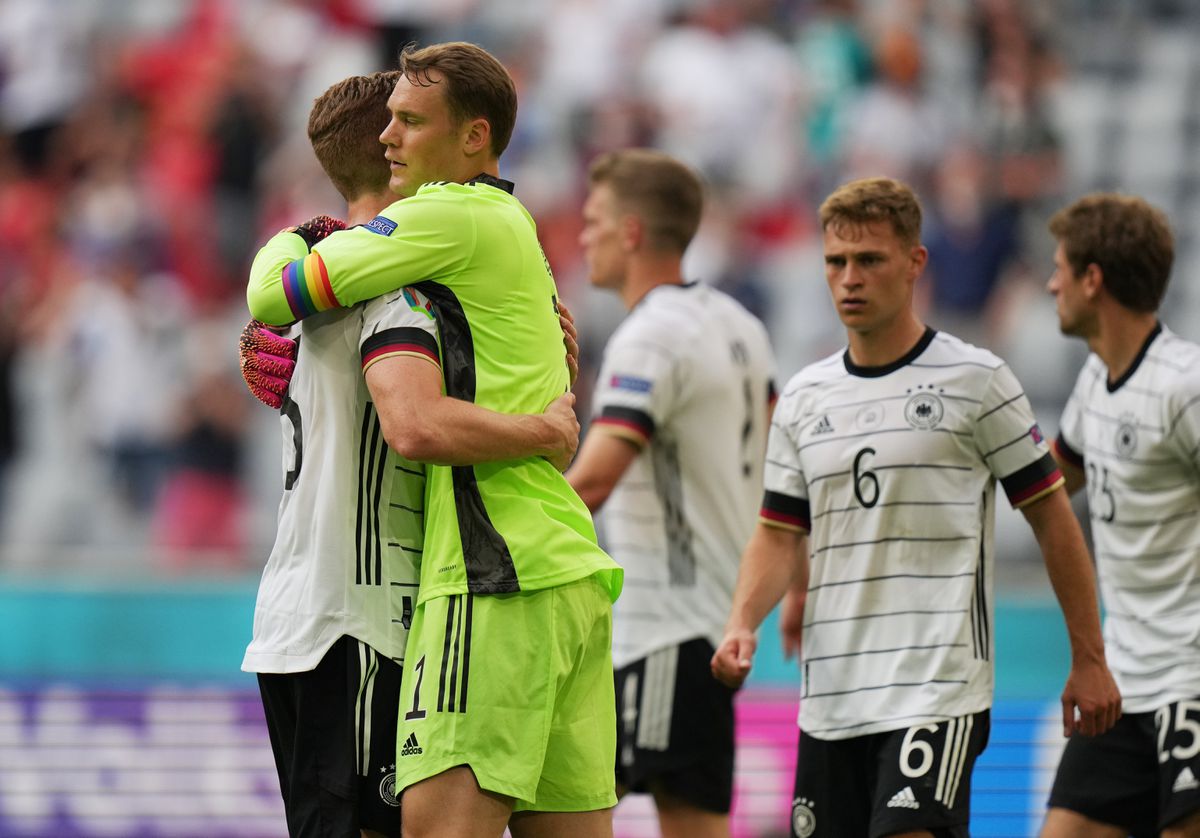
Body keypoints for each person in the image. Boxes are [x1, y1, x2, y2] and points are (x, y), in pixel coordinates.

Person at [245, 43, 623, 838]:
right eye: (390, 123)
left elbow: (407, 422)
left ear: (474, 136)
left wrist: (295, 238)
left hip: (481, 576)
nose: (394, 137)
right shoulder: (501, 235)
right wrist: (547, 419)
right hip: (565, 565)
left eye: (411, 122)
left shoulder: (420, 254)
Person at [710, 176, 1121, 838]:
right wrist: (741, 623)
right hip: (832, 697)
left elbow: (1052, 519)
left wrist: (1089, 657)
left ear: (914, 263)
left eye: (869, 260)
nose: (849, 278)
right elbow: (779, 534)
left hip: (935, 687)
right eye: (836, 262)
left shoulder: (977, 381)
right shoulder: (806, 397)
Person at [563, 148, 775, 838]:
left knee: (559, 805)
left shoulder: (650, 335)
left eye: (593, 220)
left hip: (661, 625)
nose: (582, 235)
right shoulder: (742, 326)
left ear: (630, 232)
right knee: (693, 823)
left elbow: (593, 480)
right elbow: (780, 470)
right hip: (713, 617)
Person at [1041, 194, 1200, 837]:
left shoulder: (1183, 385)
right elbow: (1050, 483)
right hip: (1124, 682)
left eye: (1059, 267)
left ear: (1093, 278)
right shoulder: (1094, 378)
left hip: (1191, 675)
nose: (1051, 282)